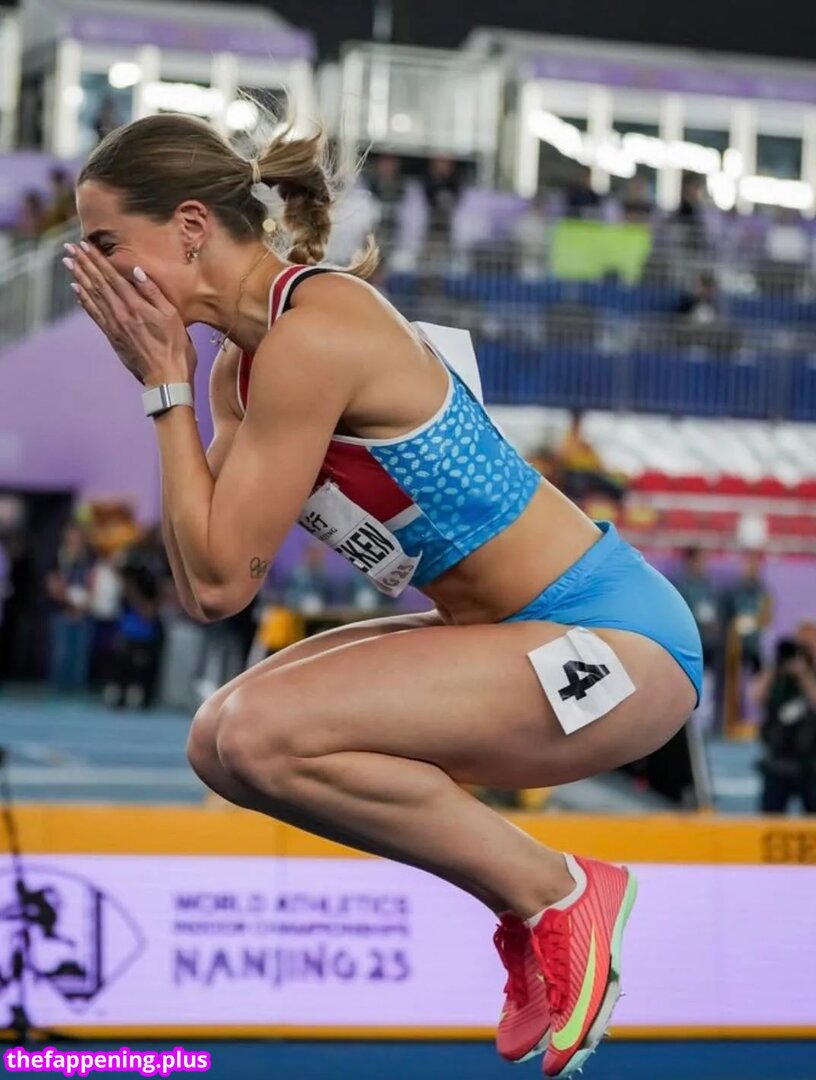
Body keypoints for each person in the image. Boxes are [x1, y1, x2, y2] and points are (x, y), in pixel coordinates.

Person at [64, 112, 702, 1078]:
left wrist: (162, 386)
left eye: (108, 244)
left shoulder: (313, 335)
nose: (96, 273)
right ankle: (530, 899)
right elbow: (202, 583)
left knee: (261, 733)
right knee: (219, 740)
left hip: (611, 645)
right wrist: (172, 391)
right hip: (513, 636)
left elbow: (225, 580)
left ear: (190, 226)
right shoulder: (241, 369)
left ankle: (558, 891)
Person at [755, 637, 816, 814]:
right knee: (770, 818)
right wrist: (773, 669)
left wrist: (803, 675)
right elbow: (755, 696)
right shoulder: (775, 679)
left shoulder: (810, 677)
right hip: (777, 762)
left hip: (809, 763)